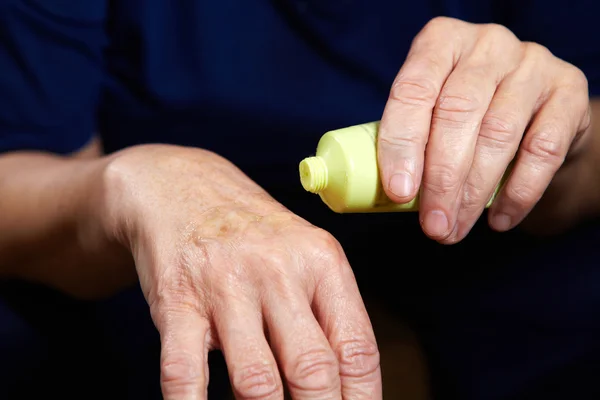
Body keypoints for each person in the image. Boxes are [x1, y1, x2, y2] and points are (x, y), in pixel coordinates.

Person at [1, 1, 599, 399]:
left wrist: (557, 148)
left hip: (513, 304)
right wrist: (131, 181)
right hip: (139, 299)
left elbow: (583, 168)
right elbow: (19, 174)